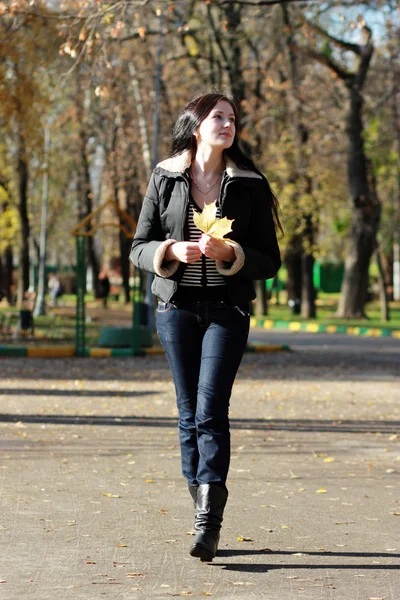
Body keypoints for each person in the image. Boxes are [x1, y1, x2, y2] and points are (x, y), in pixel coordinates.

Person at [130, 92, 282, 562]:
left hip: (226, 310)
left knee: (210, 411)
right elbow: (138, 246)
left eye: (232, 118)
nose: (227, 124)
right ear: (196, 125)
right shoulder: (166, 176)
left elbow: (270, 260)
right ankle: (201, 498)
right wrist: (169, 253)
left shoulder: (249, 184)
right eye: (218, 117)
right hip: (176, 308)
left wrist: (232, 255)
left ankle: (208, 520)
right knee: (186, 412)